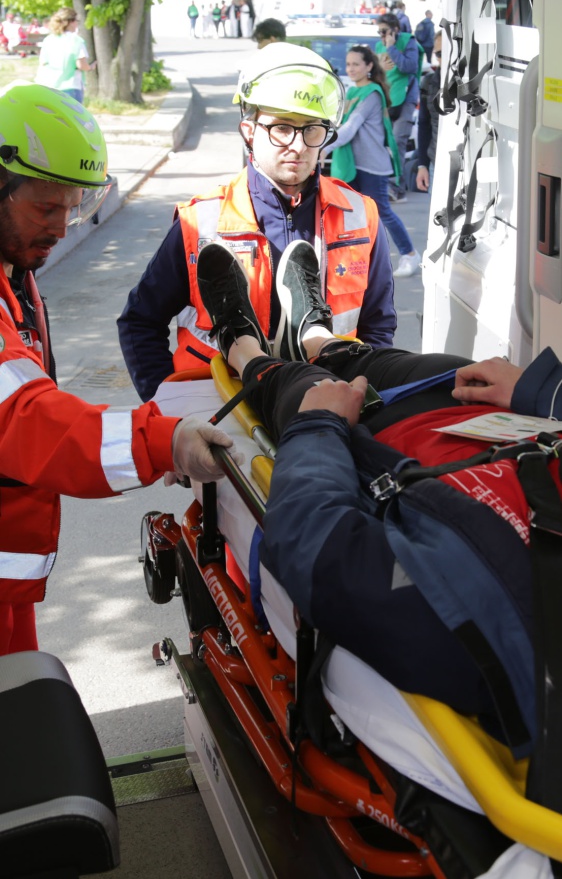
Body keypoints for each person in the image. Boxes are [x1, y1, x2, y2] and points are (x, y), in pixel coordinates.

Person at [194, 237, 562, 741]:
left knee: (299, 387)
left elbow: (316, 544)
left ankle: (244, 347)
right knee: (383, 360)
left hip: (392, 450)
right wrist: (541, 391)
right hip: (497, 421)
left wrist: (320, 426)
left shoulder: (493, 624)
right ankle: (317, 335)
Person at [0, 83, 239, 655]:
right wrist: (164, 440)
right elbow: (27, 418)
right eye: (45, 206)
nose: (61, 227)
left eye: (75, 205)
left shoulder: (14, 269)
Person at [117, 42, 397, 402]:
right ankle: (245, 347)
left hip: (326, 402)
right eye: (282, 127)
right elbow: (140, 321)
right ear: (249, 131)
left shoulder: (361, 215)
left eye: (312, 129)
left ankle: (309, 339)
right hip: (220, 410)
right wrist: (168, 406)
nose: (297, 145)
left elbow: (378, 326)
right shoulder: (201, 221)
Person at [322, 44, 421, 279]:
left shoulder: (372, 93)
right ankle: (357, 264)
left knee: (381, 213)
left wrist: (325, 148)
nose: (351, 68)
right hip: (353, 164)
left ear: (368, 66)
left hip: (372, 165)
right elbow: (338, 126)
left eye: (356, 64)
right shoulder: (352, 91)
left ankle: (409, 254)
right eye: (348, 64)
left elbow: (350, 127)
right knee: (352, 216)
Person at [375, 12, 424, 204]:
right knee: (385, 143)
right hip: (387, 99)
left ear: (395, 30)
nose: (381, 36)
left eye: (385, 31)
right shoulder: (379, 46)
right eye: (379, 32)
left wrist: (392, 49)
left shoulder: (408, 42)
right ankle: (386, 184)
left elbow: (409, 67)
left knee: (398, 141)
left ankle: (398, 187)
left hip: (406, 98)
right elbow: (376, 72)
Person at [35, 7, 96, 103]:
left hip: (50, 86)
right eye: (76, 21)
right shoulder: (76, 40)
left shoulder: (49, 40)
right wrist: (90, 67)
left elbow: (43, 63)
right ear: (70, 22)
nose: (77, 24)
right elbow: (81, 65)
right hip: (71, 86)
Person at [416, 32, 442, 193]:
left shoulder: (471, 79)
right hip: (436, 161)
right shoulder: (429, 82)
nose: (444, 58)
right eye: (439, 54)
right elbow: (424, 125)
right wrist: (422, 164)